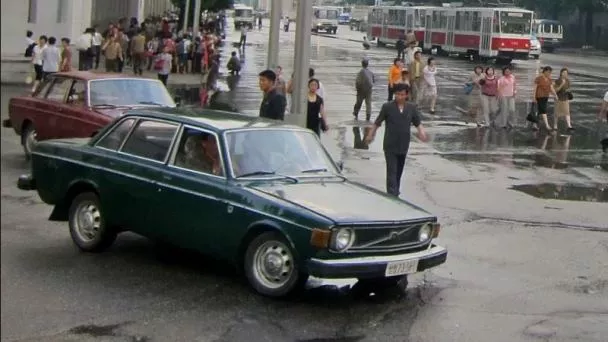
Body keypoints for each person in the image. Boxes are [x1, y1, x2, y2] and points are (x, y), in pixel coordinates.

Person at [364, 83, 428, 197]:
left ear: (406, 95)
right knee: (391, 171)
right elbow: (377, 122)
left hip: (403, 144)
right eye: (397, 94)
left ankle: (396, 191)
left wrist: (422, 132)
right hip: (390, 144)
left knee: (399, 171)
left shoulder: (411, 108)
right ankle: (392, 195)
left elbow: (418, 123)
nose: (399, 97)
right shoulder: (387, 107)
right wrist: (370, 134)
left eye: (402, 94)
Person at [532, 66, 558, 131]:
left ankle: (535, 124)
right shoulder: (539, 78)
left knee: (539, 111)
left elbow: (551, 88)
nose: (549, 74)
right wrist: (534, 97)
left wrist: (555, 95)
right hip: (539, 96)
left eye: (550, 72)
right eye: (549, 72)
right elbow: (535, 88)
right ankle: (547, 125)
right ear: (545, 71)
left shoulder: (549, 79)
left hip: (545, 97)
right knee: (543, 111)